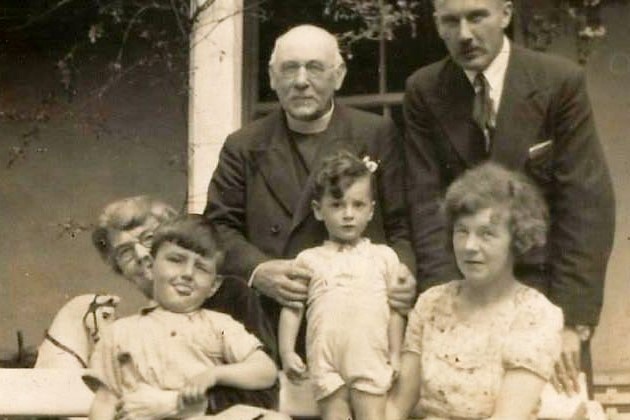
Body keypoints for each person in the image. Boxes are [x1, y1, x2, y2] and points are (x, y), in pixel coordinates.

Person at [403, 0, 615, 394]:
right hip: (462, 290)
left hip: (545, 292)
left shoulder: (558, 82)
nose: (465, 34)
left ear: (505, 13)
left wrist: (571, 321)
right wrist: (444, 310)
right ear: (437, 25)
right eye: (451, 21)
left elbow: (586, 205)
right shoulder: (425, 91)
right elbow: (425, 205)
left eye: (477, 16)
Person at [205, 24, 416, 355]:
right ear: (273, 78)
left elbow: (402, 222)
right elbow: (218, 227)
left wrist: (403, 273)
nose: (301, 81)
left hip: (357, 318)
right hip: (274, 316)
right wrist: (258, 270)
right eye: (289, 68)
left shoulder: (376, 133)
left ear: (339, 75)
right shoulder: (243, 145)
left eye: (314, 68)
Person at [387, 162, 563, 420]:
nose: (469, 246)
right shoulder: (431, 304)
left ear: (516, 240)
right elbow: (397, 406)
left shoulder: (535, 315)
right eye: (462, 232)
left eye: (486, 234)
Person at [91, 196, 279, 413]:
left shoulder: (228, 300)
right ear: (120, 269)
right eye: (125, 252)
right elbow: (106, 400)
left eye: (148, 239)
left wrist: (177, 403)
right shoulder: (124, 332)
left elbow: (265, 389)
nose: (141, 254)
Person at [279, 151, 404, 420]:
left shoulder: (384, 257)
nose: (348, 215)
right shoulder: (308, 259)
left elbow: (395, 311)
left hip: (370, 357)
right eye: (337, 205)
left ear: (371, 210)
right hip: (325, 360)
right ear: (317, 210)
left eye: (357, 205)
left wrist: (395, 353)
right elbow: (292, 307)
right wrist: (287, 351)